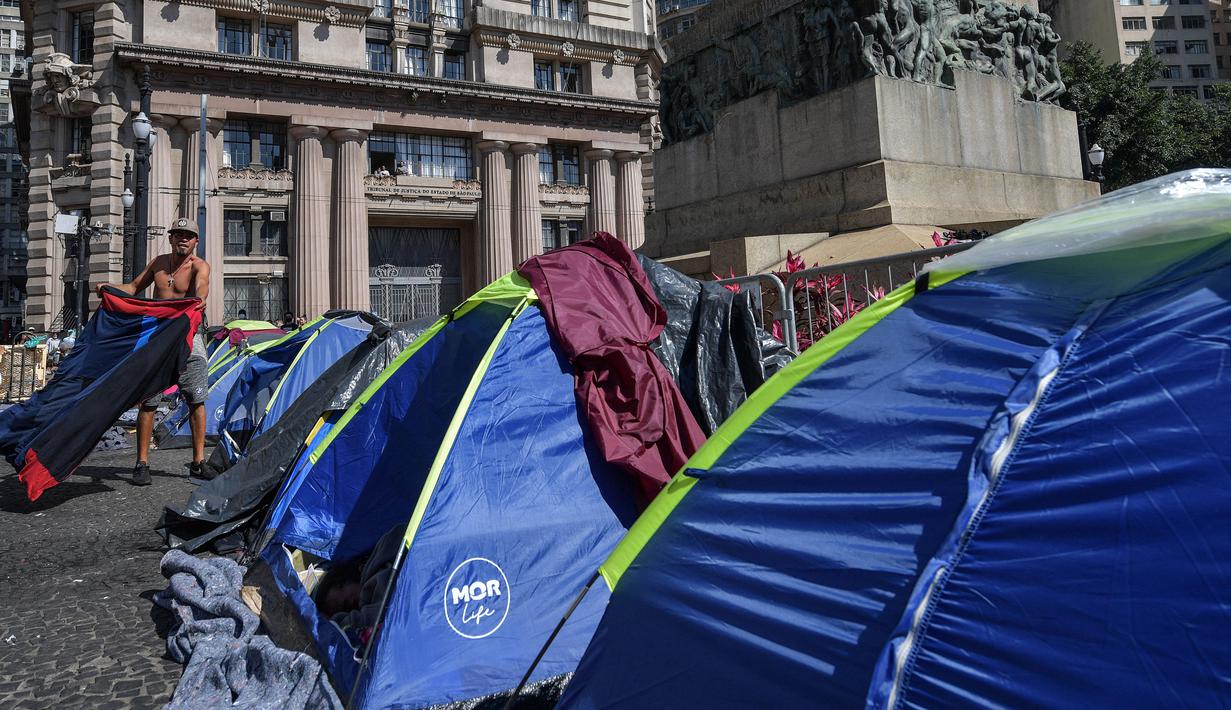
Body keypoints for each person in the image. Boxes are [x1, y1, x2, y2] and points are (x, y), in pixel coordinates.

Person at [97, 217, 211, 486]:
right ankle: (142, 463)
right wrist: (108, 288)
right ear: (170, 238)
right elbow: (133, 288)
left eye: (188, 236)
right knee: (149, 401)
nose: (183, 239)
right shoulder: (158, 263)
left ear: (195, 241)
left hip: (188, 337)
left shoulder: (199, 266)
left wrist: (199, 300)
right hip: (158, 338)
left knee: (196, 400)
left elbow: (202, 290)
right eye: (178, 234)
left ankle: (198, 462)